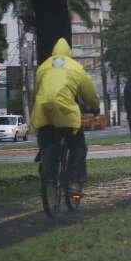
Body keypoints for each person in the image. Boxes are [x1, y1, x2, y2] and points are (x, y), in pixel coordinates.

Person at [31, 38, 100, 196]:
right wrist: (95, 106)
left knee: (47, 138)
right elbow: (89, 93)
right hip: (65, 111)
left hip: (44, 110)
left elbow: (36, 92)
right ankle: (75, 182)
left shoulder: (43, 67)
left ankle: (46, 163)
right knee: (78, 146)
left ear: (54, 52)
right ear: (69, 54)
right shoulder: (76, 67)